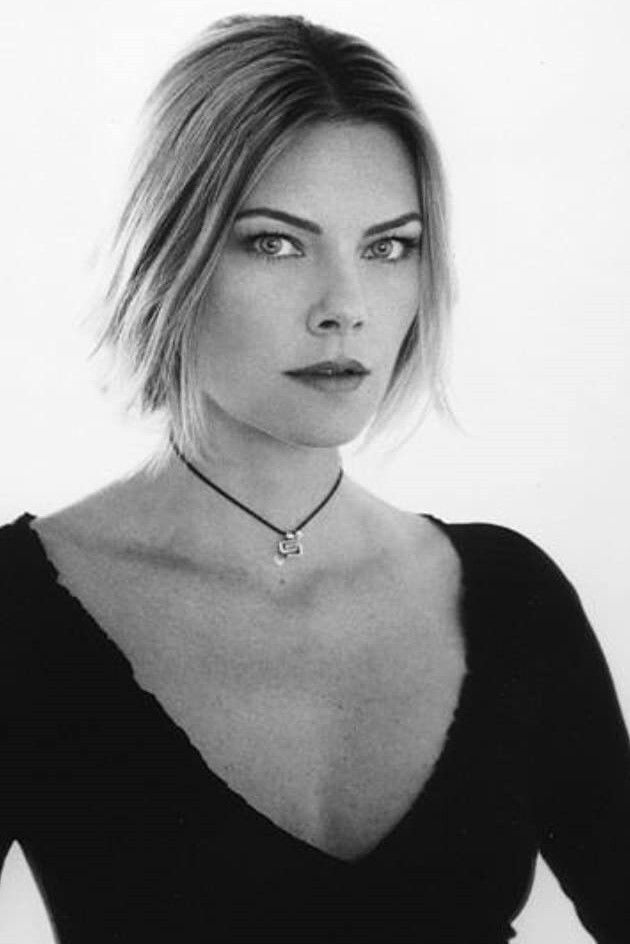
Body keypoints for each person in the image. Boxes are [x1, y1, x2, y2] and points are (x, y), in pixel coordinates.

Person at [1, 13, 628, 944]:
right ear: (170, 254)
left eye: (389, 246)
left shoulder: (512, 600)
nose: (346, 308)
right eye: (276, 243)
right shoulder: (17, 613)